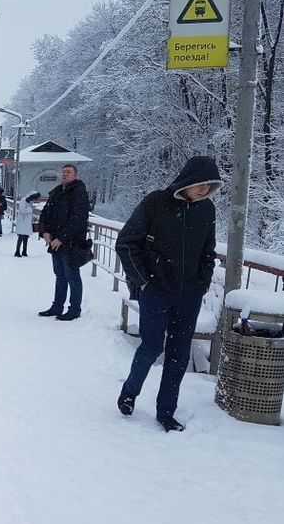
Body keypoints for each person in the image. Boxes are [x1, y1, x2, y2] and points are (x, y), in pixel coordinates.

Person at [115, 156, 223, 432]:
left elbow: (208, 252)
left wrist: (203, 282)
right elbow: (126, 243)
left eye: (211, 185)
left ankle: (166, 412)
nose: (205, 189)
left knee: (178, 354)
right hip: (156, 291)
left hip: (189, 295)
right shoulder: (156, 202)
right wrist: (145, 282)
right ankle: (130, 391)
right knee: (151, 347)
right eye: (201, 183)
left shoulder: (206, 210)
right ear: (188, 179)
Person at [37, 164, 90, 321]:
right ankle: (57, 306)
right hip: (55, 242)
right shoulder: (57, 192)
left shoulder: (79, 192)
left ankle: (74, 309)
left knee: (72, 276)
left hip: (71, 243)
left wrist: (62, 238)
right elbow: (45, 213)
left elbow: (78, 219)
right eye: (64, 172)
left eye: (69, 172)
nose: (65, 175)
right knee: (59, 275)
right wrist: (45, 231)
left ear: (76, 175)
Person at [14, 191, 39, 257]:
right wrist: (30, 209)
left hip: (26, 223)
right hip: (22, 222)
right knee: (21, 237)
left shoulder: (29, 202)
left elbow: (29, 212)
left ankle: (24, 251)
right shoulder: (23, 201)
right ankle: (17, 251)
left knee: (26, 237)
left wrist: (33, 217)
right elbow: (22, 210)